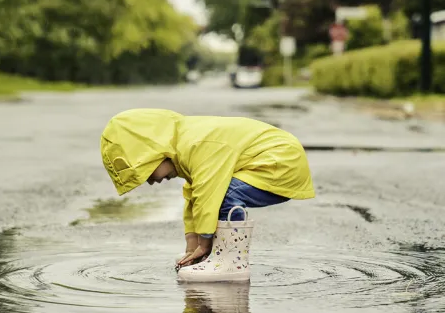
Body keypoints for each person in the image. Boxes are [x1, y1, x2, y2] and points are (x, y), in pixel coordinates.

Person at [100, 108, 314, 282]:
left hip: (280, 162)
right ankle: (218, 256)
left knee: (222, 194)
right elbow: (194, 196)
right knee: (211, 195)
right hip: (271, 160)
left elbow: (208, 194)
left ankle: (231, 262)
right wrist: (192, 244)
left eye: (146, 173)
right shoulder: (182, 146)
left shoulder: (195, 144)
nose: (150, 181)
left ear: (153, 153)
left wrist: (204, 244)